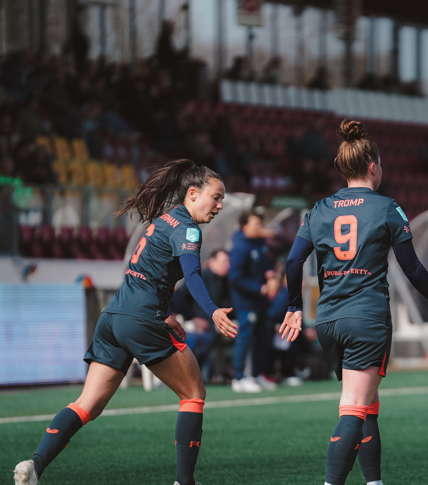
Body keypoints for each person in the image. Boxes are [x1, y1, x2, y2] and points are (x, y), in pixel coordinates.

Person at [13, 159, 236, 485]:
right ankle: (184, 481)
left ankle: (34, 466)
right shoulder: (187, 229)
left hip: (113, 317)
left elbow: (148, 276)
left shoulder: (160, 221)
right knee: (194, 394)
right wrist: (213, 310)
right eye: (216, 197)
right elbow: (192, 275)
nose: (220, 205)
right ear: (192, 193)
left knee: (86, 405)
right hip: (141, 319)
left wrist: (165, 313)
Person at [279, 119, 428, 485]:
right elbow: (412, 268)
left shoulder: (318, 209)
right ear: (373, 166)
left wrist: (294, 306)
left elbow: (292, 261)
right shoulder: (387, 207)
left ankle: (375, 482)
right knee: (354, 407)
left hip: (328, 320)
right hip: (367, 318)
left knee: (367, 406)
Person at [229, 212, 276, 392]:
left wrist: (271, 276)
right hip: (245, 302)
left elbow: (269, 265)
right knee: (245, 338)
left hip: (261, 301)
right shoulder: (240, 247)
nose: (260, 228)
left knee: (262, 338)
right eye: (256, 224)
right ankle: (239, 378)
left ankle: (256, 375)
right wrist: (260, 288)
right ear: (244, 226)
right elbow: (235, 277)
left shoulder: (260, 244)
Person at [171, 248, 232, 375]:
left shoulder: (226, 280)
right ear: (212, 262)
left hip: (211, 325)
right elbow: (181, 298)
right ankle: (187, 374)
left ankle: (199, 374)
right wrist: (191, 318)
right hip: (192, 324)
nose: (227, 265)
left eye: (228, 262)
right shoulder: (199, 278)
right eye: (223, 261)